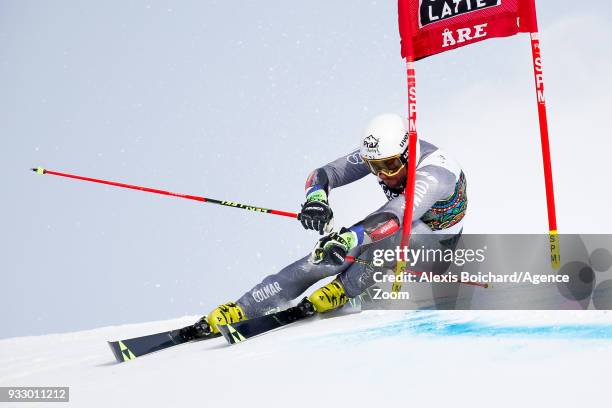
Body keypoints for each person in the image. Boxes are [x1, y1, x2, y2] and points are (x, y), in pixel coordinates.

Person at [196, 113, 467, 335]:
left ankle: (345, 290)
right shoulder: (384, 152)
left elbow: (396, 214)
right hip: (395, 224)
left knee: (386, 242)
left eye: (391, 165)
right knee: (325, 257)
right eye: (375, 167)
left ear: (407, 153)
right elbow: (324, 174)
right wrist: (317, 200)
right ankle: (246, 306)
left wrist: (350, 238)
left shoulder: (435, 173)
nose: (384, 175)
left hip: (436, 246)